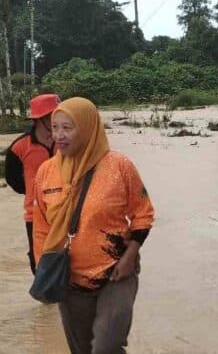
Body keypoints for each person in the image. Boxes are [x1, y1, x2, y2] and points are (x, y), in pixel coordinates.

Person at [33, 97, 154, 354]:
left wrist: (129, 257)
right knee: (81, 350)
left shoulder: (119, 167)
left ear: (88, 128)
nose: (59, 135)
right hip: (70, 278)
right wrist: (45, 269)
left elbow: (143, 214)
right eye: (55, 127)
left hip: (116, 272)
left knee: (106, 346)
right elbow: (41, 225)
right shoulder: (46, 172)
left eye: (68, 127)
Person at [4, 93, 61, 274]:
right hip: (35, 214)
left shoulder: (67, 141)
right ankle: (47, 300)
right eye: (53, 115)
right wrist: (32, 191)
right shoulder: (20, 147)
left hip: (67, 209)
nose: (57, 119)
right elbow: (12, 179)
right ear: (40, 119)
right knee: (40, 260)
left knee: (72, 255)